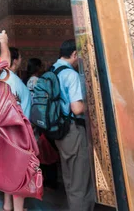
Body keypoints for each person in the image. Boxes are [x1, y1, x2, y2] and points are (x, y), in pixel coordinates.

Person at [52, 39, 95, 211]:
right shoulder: (71, 75)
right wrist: (93, 103)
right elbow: (77, 109)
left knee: (70, 177)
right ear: (74, 54)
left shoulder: (53, 69)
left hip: (59, 131)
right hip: (73, 130)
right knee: (80, 180)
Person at [1, 47, 31, 211]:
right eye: (20, 57)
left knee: (8, 171)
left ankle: (7, 205)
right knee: (19, 173)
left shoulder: (1, 78)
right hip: (18, 133)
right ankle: (18, 209)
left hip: (6, 134)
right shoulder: (12, 79)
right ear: (15, 60)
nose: (21, 60)